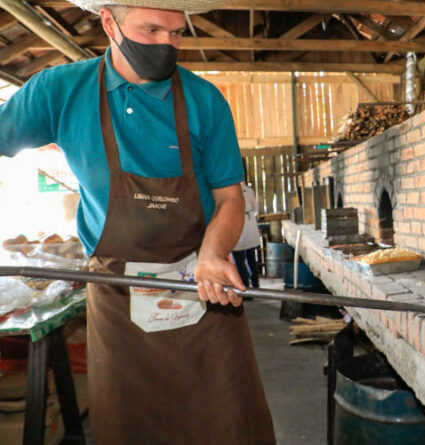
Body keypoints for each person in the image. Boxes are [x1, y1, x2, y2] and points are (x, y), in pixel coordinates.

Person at [0, 2, 275, 443]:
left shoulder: (204, 101)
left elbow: (229, 199)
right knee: (131, 428)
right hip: (117, 294)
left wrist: (212, 253)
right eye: (151, 30)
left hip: (201, 287)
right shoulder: (61, 90)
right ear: (109, 23)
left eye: (176, 33)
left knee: (225, 423)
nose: (167, 44)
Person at [233, 181, 261, 289]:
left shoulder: (229, 192)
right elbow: (256, 210)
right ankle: (256, 285)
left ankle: (245, 287)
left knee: (239, 260)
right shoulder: (249, 191)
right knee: (251, 258)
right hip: (249, 226)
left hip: (237, 226)